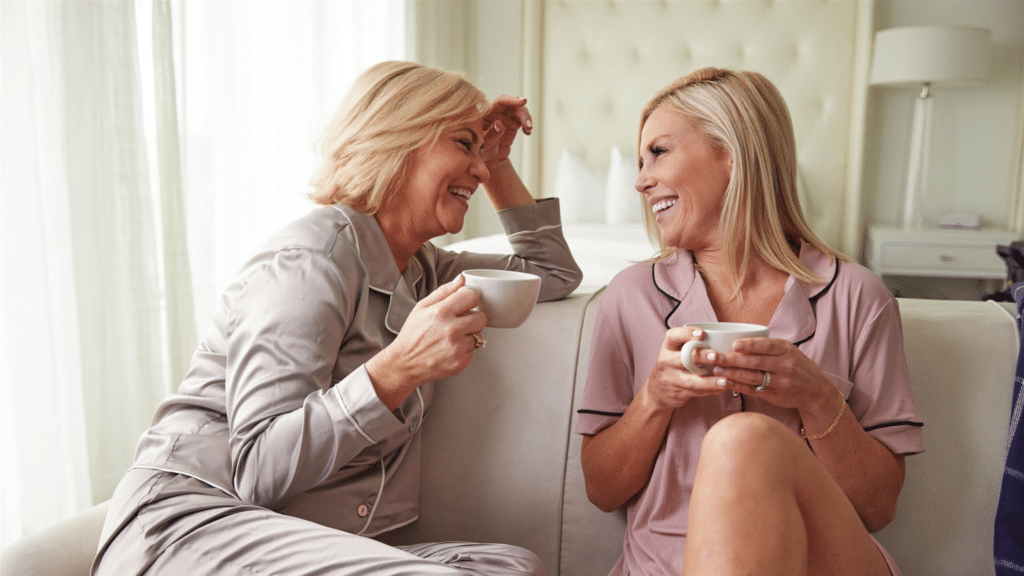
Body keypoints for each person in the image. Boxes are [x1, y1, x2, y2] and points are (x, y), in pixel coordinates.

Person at [91, 61, 582, 576]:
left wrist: (496, 157)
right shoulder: (310, 260)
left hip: (293, 534)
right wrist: (397, 370)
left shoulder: (421, 268)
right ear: (398, 140)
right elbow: (257, 468)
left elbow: (550, 271)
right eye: (464, 145)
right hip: (193, 523)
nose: (479, 170)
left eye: (480, 153)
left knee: (515, 567)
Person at [575, 67, 924, 576]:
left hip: (820, 564)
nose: (641, 179)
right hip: (662, 566)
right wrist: (655, 397)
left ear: (732, 155)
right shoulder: (629, 299)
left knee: (744, 438)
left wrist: (816, 395)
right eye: (639, 160)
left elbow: (877, 508)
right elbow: (602, 491)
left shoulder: (857, 297)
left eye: (659, 152)